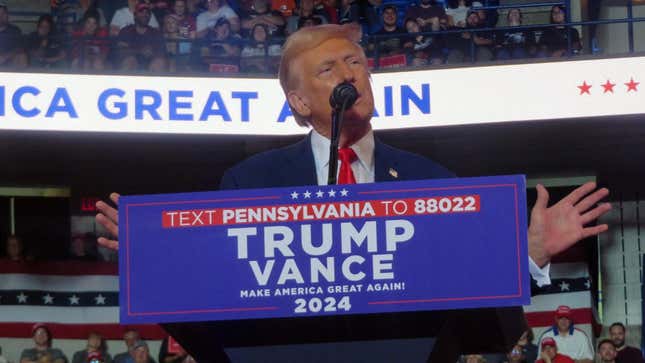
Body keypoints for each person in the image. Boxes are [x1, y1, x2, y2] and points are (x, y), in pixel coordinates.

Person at [95, 22, 612, 361]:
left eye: (356, 63)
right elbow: (217, 314)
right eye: (329, 68)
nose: (350, 74)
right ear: (299, 101)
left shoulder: (435, 182)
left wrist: (525, 256)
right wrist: (155, 261)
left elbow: (485, 328)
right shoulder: (249, 183)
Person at [116, 2, 167, 72]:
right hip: (131, 64)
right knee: (130, 61)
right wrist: (139, 51)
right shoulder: (126, 31)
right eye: (141, 12)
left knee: (159, 62)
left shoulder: (156, 33)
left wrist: (153, 52)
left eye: (147, 13)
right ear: (135, 15)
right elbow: (120, 51)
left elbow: (162, 54)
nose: (145, 14)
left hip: (150, 64)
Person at [0, 2, 27, 69]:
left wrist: (5, 57)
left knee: (22, 56)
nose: (0, 16)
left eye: (3, 13)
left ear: (7, 15)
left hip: (11, 61)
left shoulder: (14, 30)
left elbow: (21, 47)